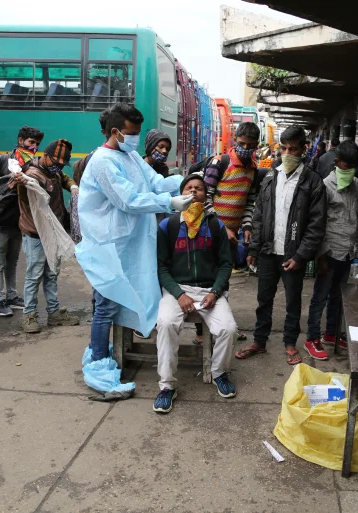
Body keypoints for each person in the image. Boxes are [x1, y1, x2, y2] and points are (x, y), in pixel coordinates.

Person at [77, 103, 188, 362]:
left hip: (132, 243)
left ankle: (117, 353)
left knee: (131, 295)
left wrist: (184, 182)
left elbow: (155, 183)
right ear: (115, 132)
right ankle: (99, 360)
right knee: (106, 305)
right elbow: (128, 200)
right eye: (132, 133)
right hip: (108, 245)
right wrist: (169, 203)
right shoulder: (103, 162)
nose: (136, 138)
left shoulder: (131, 156)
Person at [237, 126, 327, 366]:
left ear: (303, 149)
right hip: (267, 250)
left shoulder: (312, 181)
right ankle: (259, 340)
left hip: (293, 254)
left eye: (293, 149)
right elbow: (259, 214)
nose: (287, 153)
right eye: (284, 148)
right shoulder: (270, 176)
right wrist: (254, 248)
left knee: (292, 301)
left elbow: (316, 224)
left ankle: (289, 342)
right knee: (263, 298)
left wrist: (300, 255)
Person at [153, 173, 237, 413]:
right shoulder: (168, 225)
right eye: (188, 188)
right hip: (178, 290)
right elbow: (161, 267)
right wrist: (179, 294)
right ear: (180, 194)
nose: (193, 191)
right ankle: (167, 386)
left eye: (198, 188)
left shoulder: (215, 224)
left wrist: (216, 291)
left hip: (210, 290)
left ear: (205, 194)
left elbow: (224, 264)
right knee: (166, 323)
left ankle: (219, 372)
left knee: (228, 329)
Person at [199, 121, 262, 343]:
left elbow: (249, 203)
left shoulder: (253, 169)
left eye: (251, 145)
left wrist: (246, 227)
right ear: (235, 141)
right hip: (210, 233)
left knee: (223, 282)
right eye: (243, 144)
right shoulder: (220, 162)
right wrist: (222, 227)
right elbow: (204, 199)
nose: (246, 148)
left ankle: (222, 327)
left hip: (232, 237)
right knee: (207, 281)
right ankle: (202, 334)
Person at [0, 125, 44, 317]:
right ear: (21, 140)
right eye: (31, 142)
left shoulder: (33, 165)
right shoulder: (2, 160)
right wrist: (7, 182)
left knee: (12, 261)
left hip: (18, 221)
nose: (33, 147)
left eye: (37, 144)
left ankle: (12, 296)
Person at [13, 139, 80, 334]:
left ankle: (54, 312)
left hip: (52, 231)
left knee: (51, 273)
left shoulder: (54, 170)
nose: (58, 167)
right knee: (34, 275)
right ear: (45, 156)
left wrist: (73, 186)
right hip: (35, 233)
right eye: (56, 163)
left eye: (61, 164)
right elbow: (26, 197)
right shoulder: (31, 176)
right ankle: (29, 315)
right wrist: (22, 185)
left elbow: (64, 178)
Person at [305, 141, 358, 358]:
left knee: (339, 296)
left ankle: (331, 333)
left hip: (348, 251)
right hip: (329, 252)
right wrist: (320, 255)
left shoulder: (357, 184)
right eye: (347, 165)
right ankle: (312, 337)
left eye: (354, 166)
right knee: (320, 296)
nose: (350, 170)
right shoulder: (324, 186)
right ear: (337, 162)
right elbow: (317, 223)